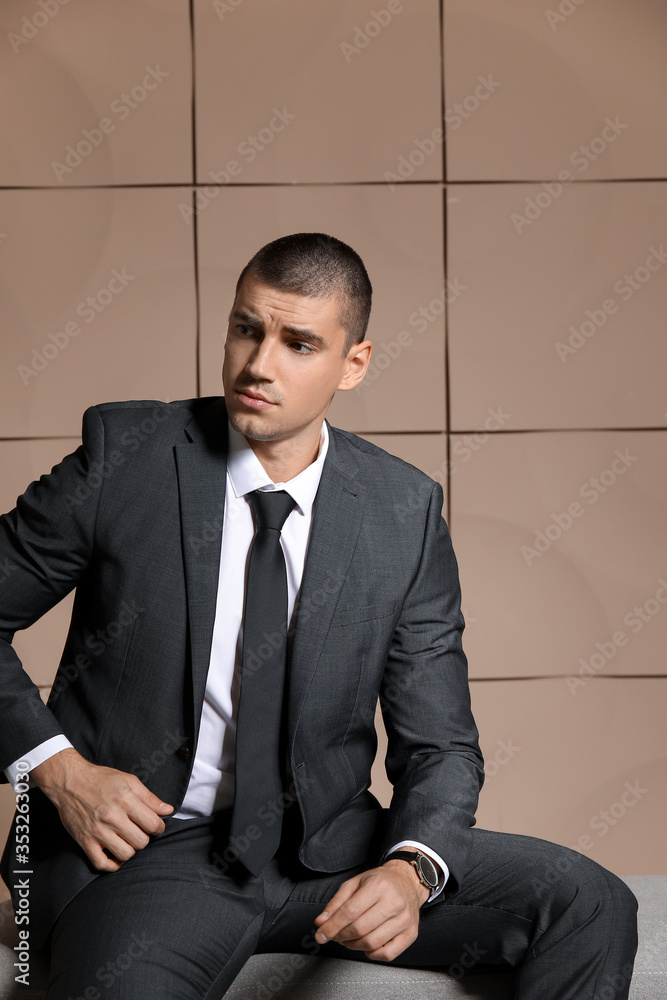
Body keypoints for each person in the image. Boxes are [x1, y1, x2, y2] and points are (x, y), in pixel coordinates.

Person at [1, 233, 637, 999]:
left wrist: (412, 869)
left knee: (587, 900)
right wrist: (58, 772)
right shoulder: (125, 458)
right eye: (246, 329)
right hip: (148, 855)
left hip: (329, 854)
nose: (259, 365)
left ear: (354, 363)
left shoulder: (401, 512)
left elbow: (439, 743)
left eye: (299, 343)